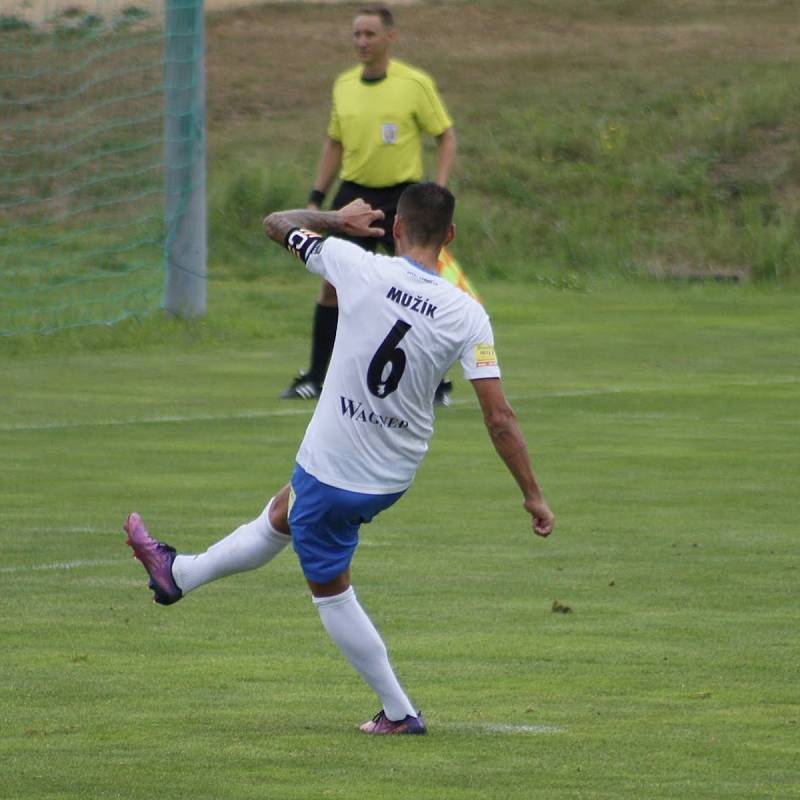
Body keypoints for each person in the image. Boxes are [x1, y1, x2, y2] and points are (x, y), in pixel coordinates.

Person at [125, 183, 555, 736]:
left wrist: (334, 218)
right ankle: (176, 574)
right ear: (449, 237)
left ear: (395, 227)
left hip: (336, 463)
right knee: (283, 513)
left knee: (330, 587)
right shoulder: (469, 315)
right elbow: (499, 418)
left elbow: (276, 222)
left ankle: (399, 712)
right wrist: (532, 493)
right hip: (392, 472)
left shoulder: (356, 265)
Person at [281, 2, 458, 404]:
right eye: (357, 34)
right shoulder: (344, 84)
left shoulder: (414, 83)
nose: (362, 41)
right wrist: (317, 195)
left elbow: (445, 136)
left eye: (370, 34)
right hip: (355, 196)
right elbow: (335, 142)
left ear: (390, 38)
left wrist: (438, 193)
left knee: (424, 289)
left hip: (404, 198)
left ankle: (438, 383)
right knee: (330, 288)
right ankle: (315, 378)